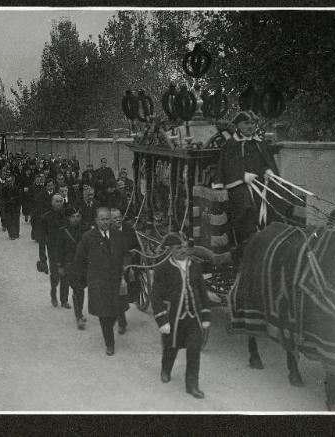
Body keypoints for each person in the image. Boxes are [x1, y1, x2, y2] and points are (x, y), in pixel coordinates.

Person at [212, 111, 282, 266]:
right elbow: (227, 167)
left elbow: (266, 161)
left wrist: (268, 171)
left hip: (260, 182)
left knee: (277, 197)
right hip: (238, 185)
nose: (250, 126)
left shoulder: (259, 142)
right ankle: (246, 241)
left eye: (252, 123)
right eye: (246, 123)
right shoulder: (232, 144)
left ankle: (272, 237)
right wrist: (242, 176)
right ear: (238, 125)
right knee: (246, 205)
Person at [151, 232, 211, 399]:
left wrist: (206, 316)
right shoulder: (162, 269)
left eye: (185, 247)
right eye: (179, 248)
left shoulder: (195, 266)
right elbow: (155, 296)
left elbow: (202, 292)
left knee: (194, 349)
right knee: (171, 348)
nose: (183, 250)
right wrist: (162, 320)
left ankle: (192, 385)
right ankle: (166, 369)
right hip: (173, 318)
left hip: (193, 317)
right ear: (171, 250)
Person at [74, 207, 128, 356]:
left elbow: (126, 253)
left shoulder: (118, 235)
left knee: (116, 310)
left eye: (108, 218)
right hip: (98, 282)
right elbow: (80, 259)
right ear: (96, 221)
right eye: (102, 219)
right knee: (104, 314)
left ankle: (110, 330)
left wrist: (125, 268)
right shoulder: (88, 237)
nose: (106, 222)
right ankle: (109, 344)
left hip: (116, 280)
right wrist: (86, 277)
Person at [110, 207, 140, 331]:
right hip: (114, 267)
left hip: (129, 263)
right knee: (117, 296)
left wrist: (133, 254)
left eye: (119, 217)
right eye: (115, 218)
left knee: (127, 291)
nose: (118, 220)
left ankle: (128, 301)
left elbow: (137, 246)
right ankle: (122, 323)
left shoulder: (128, 228)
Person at [58, 207, 88, 329]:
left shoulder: (85, 229)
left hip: (84, 263)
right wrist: (60, 266)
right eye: (73, 216)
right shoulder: (63, 231)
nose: (76, 219)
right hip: (70, 264)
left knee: (81, 288)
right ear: (68, 218)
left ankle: (79, 312)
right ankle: (79, 316)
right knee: (77, 289)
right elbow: (59, 250)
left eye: (77, 216)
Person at [38, 193, 68, 308]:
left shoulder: (67, 215)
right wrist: (42, 257)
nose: (59, 203)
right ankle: (53, 293)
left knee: (66, 275)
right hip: (53, 250)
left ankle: (64, 300)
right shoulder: (46, 217)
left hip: (66, 250)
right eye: (57, 201)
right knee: (55, 274)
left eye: (61, 201)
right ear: (52, 202)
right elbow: (42, 239)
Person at [1, 175, 22, 239]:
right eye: (7, 181)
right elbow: (3, 198)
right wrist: (7, 201)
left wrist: (14, 199)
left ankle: (16, 233)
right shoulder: (4, 189)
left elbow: (19, 197)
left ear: (12, 181)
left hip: (15, 207)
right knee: (9, 221)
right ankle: (11, 234)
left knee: (16, 221)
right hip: (8, 207)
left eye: (10, 181)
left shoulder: (16, 188)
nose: (9, 182)